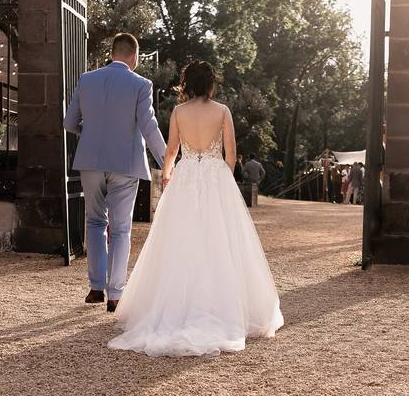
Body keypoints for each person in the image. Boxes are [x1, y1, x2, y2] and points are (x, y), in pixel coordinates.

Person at [109, 61, 283, 357]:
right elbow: (231, 153)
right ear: (211, 83)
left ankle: (174, 306)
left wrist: (166, 175)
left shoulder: (179, 112)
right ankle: (224, 306)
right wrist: (222, 178)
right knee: (220, 241)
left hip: (187, 174)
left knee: (180, 239)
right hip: (215, 175)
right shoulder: (223, 111)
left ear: (186, 84)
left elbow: (172, 150)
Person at [63, 33, 166, 313]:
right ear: (133, 57)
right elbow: (149, 126)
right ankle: (115, 295)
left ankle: (96, 287)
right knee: (121, 229)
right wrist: (168, 161)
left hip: (91, 161)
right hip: (126, 164)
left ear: (112, 53)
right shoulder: (141, 84)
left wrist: (92, 134)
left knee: (95, 223)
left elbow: (69, 122)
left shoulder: (87, 80)